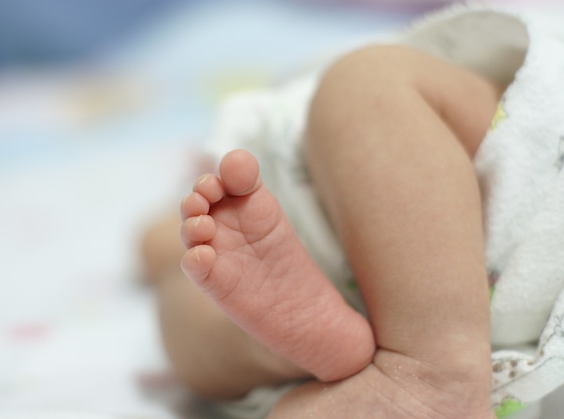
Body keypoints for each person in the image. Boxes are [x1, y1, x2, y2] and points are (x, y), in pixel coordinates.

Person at [143, 5, 564, 419]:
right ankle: (294, 348)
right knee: (370, 88)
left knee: (367, 84)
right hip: (432, 274)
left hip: (422, 215)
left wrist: (160, 244)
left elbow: (154, 242)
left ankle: (423, 370)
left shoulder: (245, 141)